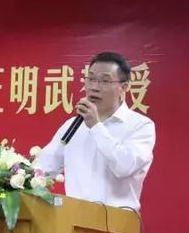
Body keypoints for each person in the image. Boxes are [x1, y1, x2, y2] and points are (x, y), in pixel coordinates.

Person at [37, 51, 156, 210]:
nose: (94, 87)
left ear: (124, 87)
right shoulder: (72, 126)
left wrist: (96, 126)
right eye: (91, 79)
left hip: (118, 220)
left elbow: (124, 167)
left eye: (104, 81)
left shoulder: (140, 125)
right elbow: (44, 168)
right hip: (73, 218)